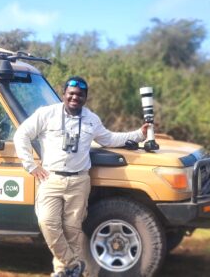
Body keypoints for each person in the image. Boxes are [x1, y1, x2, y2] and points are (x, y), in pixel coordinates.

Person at [13, 76, 149, 277]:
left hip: (79, 181)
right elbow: (21, 134)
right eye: (71, 93)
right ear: (64, 95)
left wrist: (138, 134)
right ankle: (73, 264)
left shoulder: (91, 119)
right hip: (51, 179)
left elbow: (109, 139)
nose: (75, 97)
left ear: (85, 97)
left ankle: (63, 271)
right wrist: (30, 166)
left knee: (72, 229)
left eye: (80, 94)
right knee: (47, 222)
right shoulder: (46, 114)